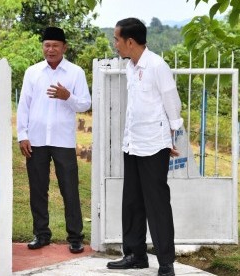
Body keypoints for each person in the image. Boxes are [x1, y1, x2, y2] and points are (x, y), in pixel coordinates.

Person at [106, 18, 183, 276]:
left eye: (117, 39)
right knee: (132, 202)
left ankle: (166, 263)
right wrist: (127, 139)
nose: (115, 44)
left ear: (130, 41)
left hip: (154, 145)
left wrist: (172, 139)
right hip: (134, 143)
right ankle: (135, 254)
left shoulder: (157, 66)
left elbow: (172, 103)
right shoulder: (130, 66)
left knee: (157, 204)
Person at [16, 27, 91, 254]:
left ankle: (75, 236)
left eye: (55, 46)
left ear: (64, 47)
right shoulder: (33, 72)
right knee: (38, 189)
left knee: (69, 189)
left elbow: (85, 104)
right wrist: (23, 135)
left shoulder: (75, 72)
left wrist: (67, 96)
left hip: (63, 140)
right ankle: (41, 234)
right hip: (36, 139)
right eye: (47, 45)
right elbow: (24, 105)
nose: (50, 50)